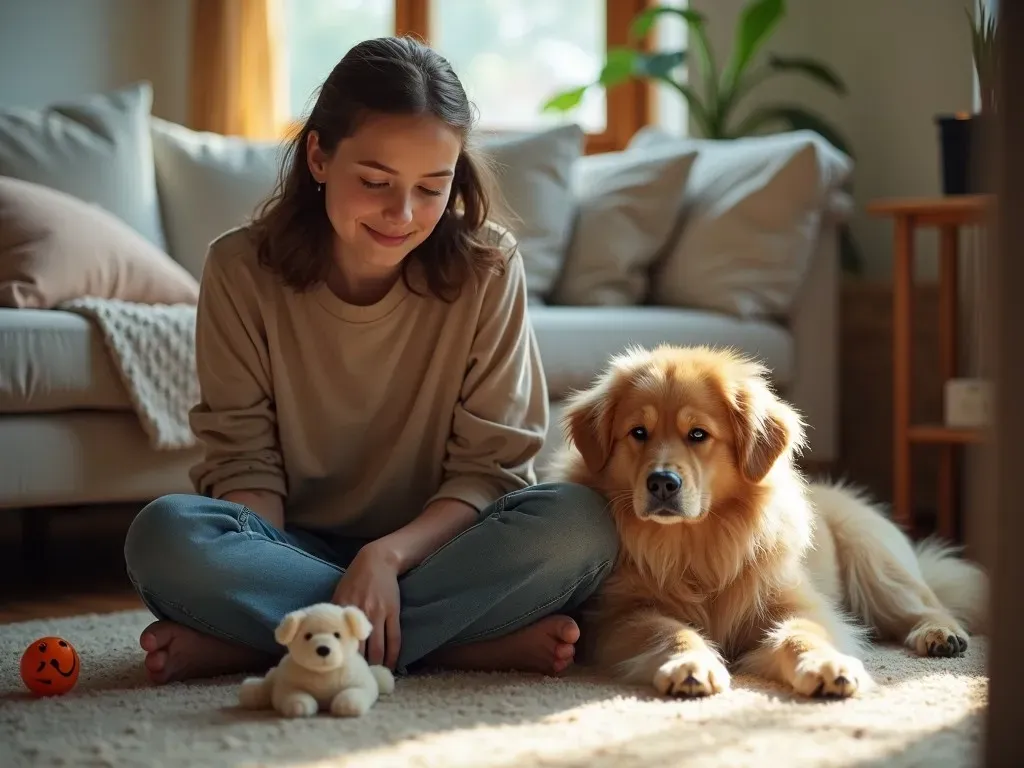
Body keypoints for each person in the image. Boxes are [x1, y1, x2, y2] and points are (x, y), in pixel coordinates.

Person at [122, 36, 618, 685]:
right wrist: (263, 558)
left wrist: (386, 558)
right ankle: (450, 645)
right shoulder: (239, 268)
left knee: (580, 524)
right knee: (163, 537)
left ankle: (285, 642)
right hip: (287, 549)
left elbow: (490, 468)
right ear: (320, 156)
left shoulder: (489, 269)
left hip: (438, 550)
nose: (403, 214)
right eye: (376, 182)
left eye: (431, 188)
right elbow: (244, 461)